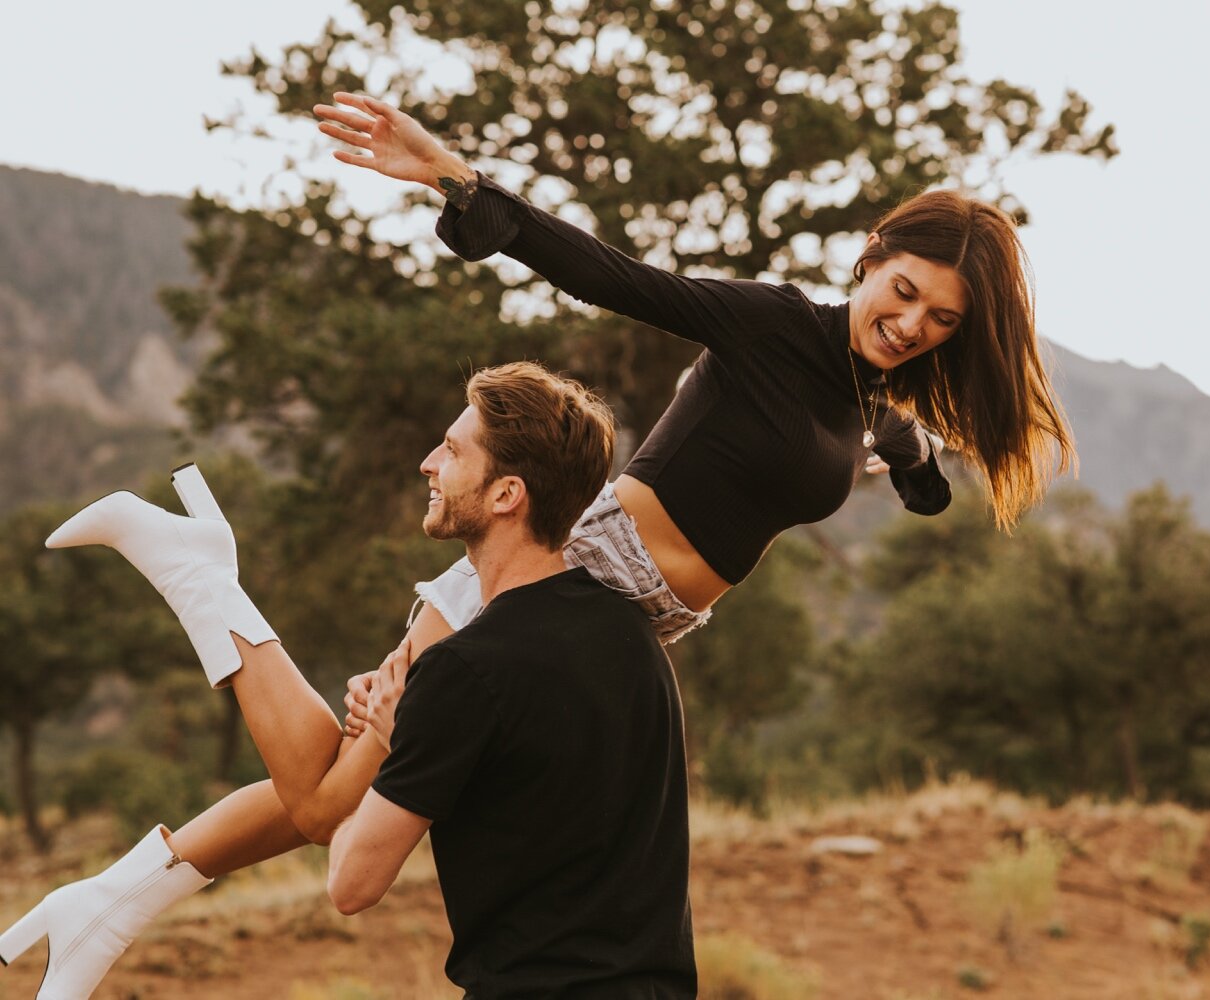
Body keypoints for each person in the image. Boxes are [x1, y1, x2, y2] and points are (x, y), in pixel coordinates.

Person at [0, 86, 1074, 993]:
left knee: (335, 787)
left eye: (941, 321)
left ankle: (109, 900)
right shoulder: (773, 325)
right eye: (904, 293)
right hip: (562, 565)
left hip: (624, 624)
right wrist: (455, 182)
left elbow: (913, 478)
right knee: (334, 804)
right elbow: (611, 275)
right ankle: (202, 586)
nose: (913, 325)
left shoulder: (866, 400)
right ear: (874, 253)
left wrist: (915, 458)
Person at [2, 363, 696, 999]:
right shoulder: (635, 638)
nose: (429, 463)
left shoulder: (466, 669)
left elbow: (350, 883)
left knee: (323, 797)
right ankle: (201, 582)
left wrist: (397, 734)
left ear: (507, 494)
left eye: (453, 452)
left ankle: (202, 581)